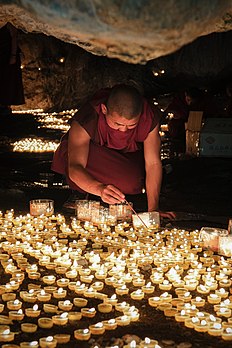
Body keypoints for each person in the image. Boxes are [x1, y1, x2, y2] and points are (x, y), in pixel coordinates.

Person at [52, 84, 175, 219]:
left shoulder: (148, 116)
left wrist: (153, 209)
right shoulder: (88, 117)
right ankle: (80, 191)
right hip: (93, 156)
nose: (124, 130)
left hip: (125, 157)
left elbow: (153, 163)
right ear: (104, 109)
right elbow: (75, 166)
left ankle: (104, 186)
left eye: (132, 125)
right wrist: (98, 188)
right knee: (73, 164)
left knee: (132, 183)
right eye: (117, 124)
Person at [0, 22, 25, 115]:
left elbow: (14, 36)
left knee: (9, 80)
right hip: (1, 55)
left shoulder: (8, 23)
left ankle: (6, 105)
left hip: (8, 54)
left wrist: (13, 55)